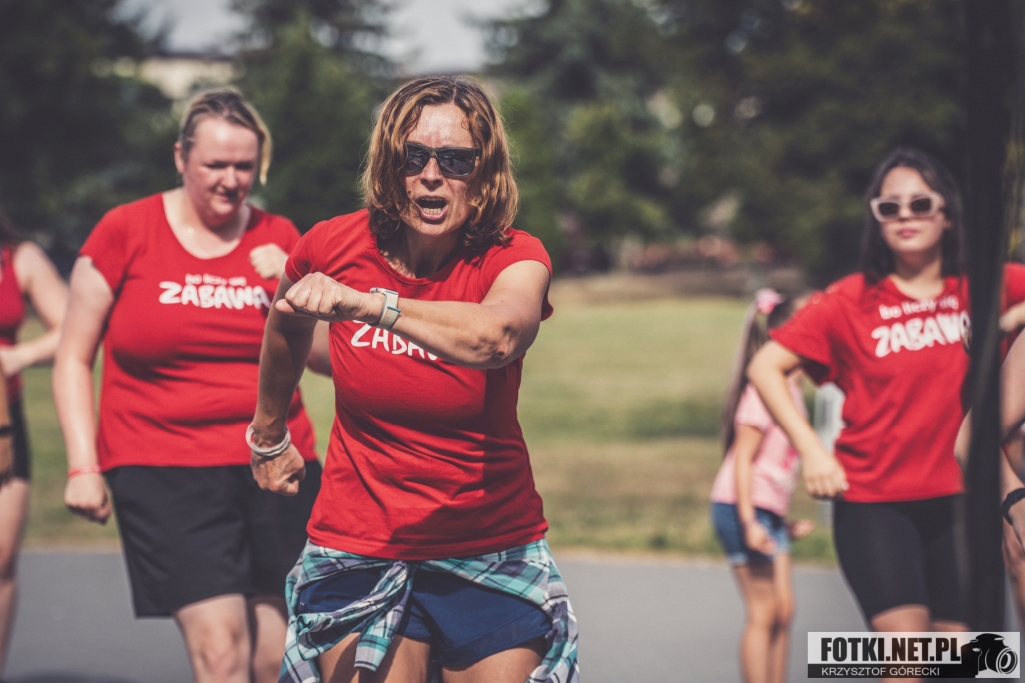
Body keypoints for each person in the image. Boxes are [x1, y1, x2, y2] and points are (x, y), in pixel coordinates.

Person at [248, 75, 578, 683]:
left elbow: (498, 336)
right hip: (361, 539)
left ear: (484, 171)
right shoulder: (331, 244)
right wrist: (268, 434)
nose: (432, 174)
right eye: (413, 156)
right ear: (387, 164)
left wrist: (373, 305)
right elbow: (286, 321)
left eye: (455, 159)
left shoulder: (514, 256)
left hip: (488, 540)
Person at [53, 89, 322, 683]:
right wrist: (81, 466)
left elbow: (326, 359)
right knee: (221, 654)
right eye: (215, 165)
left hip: (273, 464)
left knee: (275, 657)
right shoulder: (125, 231)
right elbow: (73, 356)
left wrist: (294, 286)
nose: (231, 180)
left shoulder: (279, 235)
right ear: (181, 158)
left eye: (244, 167)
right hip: (162, 465)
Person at [748, 148, 984, 665]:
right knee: (908, 660)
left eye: (921, 204)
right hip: (876, 503)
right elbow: (764, 365)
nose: (905, 216)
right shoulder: (850, 300)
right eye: (889, 207)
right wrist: (813, 450)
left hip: (965, 504)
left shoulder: (984, 289)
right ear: (875, 219)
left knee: (965, 663)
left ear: (947, 214)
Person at [710, 288, 814, 683]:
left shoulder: (791, 390)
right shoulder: (761, 390)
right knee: (763, 612)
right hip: (739, 508)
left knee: (784, 610)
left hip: (769, 514)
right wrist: (750, 520)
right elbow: (742, 463)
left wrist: (780, 521)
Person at [0, 208, 67, 673]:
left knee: (0, 562)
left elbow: (72, 328)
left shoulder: (19, 258)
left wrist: (16, 356)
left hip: (4, 421)